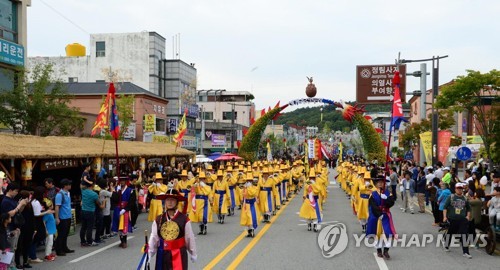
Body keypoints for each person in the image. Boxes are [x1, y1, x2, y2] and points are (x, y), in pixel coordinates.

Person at [148, 189, 197, 269]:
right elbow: (154, 237)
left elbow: (189, 237)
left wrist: (193, 252)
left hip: (179, 253)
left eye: (172, 200)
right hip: (162, 253)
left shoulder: (184, 219)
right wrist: (149, 252)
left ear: (177, 202)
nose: (170, 202)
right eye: (167, 200)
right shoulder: (159, 219)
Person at [366, 177, 396, 259]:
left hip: (386, 215)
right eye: (378, 182)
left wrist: (386, 199)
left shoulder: (388, 193)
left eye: (381, 182)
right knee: (377, 234)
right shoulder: (373, 194)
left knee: (388, 233)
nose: (380, 184)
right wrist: (379, 214)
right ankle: (379, 250)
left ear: (384, 184)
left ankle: (386, 250)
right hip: (376, 216)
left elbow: (391, 203)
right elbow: (373, 206)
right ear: (375, 184)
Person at [443, 182, 472, 258]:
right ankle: (446, 245)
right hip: (452, 219)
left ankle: (466, 252)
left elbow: (469, 209)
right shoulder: (451, 197)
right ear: (455, 189)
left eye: (461, 189)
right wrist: (445, 217)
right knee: (450, 232)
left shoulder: (465, 198)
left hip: (462, 220)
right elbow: (445, 207)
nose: (459, 190)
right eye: (458, 189)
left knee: (464, 234)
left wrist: (468, 216)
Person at [111, 177, 136, 248]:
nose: (122, 182)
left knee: (124, 226)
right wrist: (115, 192)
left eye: (123, 181)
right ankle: (121, 241)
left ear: (126, 182)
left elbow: (132, 201)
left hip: (125, 210)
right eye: (121, 181)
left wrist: (125, 209)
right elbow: (114, 200)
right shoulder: (117, 189)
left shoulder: (130, 190)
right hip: (118, 209)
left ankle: (124, 242)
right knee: (119, 226)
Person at [54, 179, 74, 256]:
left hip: (68, 216)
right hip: (62, 217)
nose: (70, 185)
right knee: (61, 234)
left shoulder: (68, 193)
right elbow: (57, 207)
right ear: (65, 186)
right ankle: (59, 250)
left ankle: (65, 247)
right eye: (69, 184)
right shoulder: (59, 195)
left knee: (66, 233)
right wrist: (57, 218)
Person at [240, 173, 260, 237]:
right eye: (247, 181)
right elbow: (242, 194)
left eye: (250, 181)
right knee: (246, 217)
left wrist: (249, 187)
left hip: (252, 204)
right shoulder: (245, 187)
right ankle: (249, 231)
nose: (249, 182)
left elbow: (252, 193)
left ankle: (252, 230)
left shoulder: (254, 187)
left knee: (252, 217)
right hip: (246, 204)